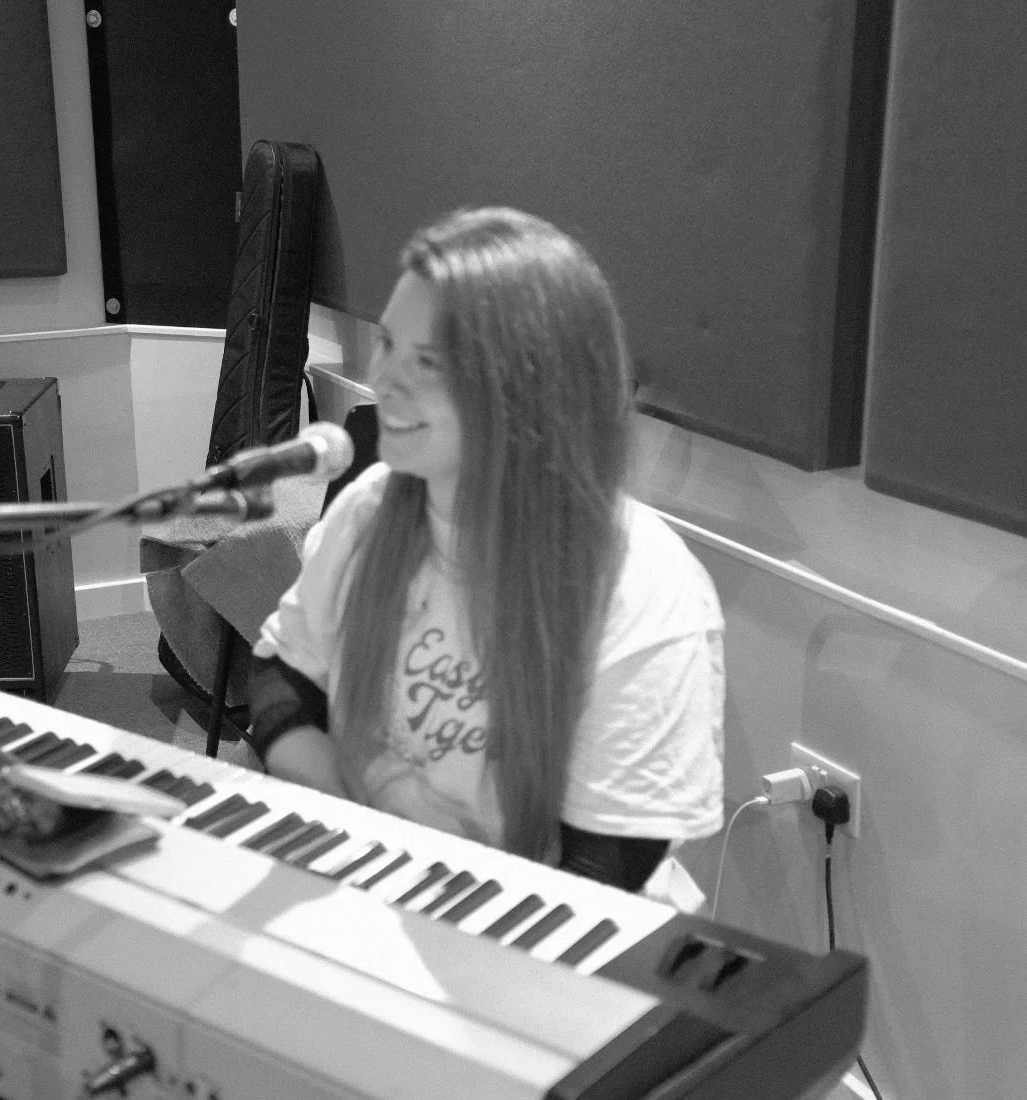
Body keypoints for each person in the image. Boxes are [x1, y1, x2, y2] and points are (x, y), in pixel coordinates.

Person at [246, 207, 724, 892]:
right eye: (386, 344)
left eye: (429, 363)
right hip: (378, 876)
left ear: (526, 390)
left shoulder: (640, 582)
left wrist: (413, 869)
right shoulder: (371, 509)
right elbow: (280, 683)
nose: (384, 381)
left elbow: (604, 874)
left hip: (539, 944)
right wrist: (379, 813)